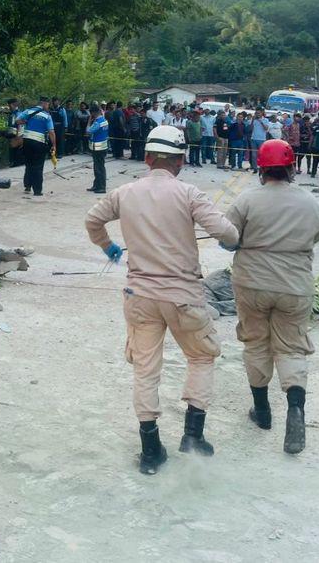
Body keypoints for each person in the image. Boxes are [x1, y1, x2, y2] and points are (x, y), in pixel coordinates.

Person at [84, 125, 240, 475]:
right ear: (181, 161)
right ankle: (193, 436)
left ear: (147, 158)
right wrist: (231, 243)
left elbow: (92, 219)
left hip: (139, 296)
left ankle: (151, 450)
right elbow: (227, 234)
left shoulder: (124, 192)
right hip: (183, 297)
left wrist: (106, 245)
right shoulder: (189, 194)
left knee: (145, 369)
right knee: (201, 357)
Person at [226, 139, 319, 455]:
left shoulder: (246, 200)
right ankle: (295, 409)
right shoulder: (309, 202)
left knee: (256, 343)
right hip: (294, 287)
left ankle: (263, 411)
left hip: (252, 284)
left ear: (261, 168)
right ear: (292, 168)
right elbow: (316, 237)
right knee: (292, 348)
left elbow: (229, 240)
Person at [16, 97, 55, 197]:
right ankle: (37, 190)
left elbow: (17, 120)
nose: (48, 106)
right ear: (44, 104)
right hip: (39, 143)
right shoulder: (47, 116)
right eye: (48, 104)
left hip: (27, 141)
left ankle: (28, 186)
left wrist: (25, 122)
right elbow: (51, 132)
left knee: (29, 164)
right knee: (38, 166)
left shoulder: (28, 111)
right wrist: (54, 145)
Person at [86, 103, 109, 194]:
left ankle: (101, 187)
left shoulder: (97, 123)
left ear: (93, 113)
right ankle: (96, 185)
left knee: (99, 168)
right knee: (98, 167)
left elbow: (88, 131)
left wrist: (88, 122)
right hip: (103, 147)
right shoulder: (104, 120)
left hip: (98, 148)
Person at [5, 99, 24, 167]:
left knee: (17, 148)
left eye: (10, 105)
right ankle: (14, 162)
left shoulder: (18, 113)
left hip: (17, 134)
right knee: (13, 148)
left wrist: (18, 135)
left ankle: (17, 162)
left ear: (13, 105)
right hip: (11, 134)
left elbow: (20, 125)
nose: (9, 107)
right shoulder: (12, 113)